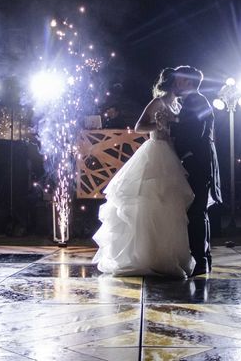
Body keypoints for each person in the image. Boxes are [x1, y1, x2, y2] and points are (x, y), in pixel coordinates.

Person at [92, 68, 195, 277]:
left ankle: (168, 255)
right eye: (180, 81)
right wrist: (157, 125)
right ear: (172, 83)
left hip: (172, 154)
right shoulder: (158, 102)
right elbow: (139, 126)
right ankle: (146, 256)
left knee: (170, 206)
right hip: (156, 152)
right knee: (149, 203)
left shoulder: (178, 104)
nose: (183, 85)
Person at [171, 66, 222, 276]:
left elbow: (192, 133)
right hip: (203, 161)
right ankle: (204, 259)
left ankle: (200, 260)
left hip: (197, 162)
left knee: (196, 212)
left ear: (188, 82)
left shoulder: (194, 101)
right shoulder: (198, 100)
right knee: (200, 212)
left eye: (179, 80)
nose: (175, 83)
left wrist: (184, 154)